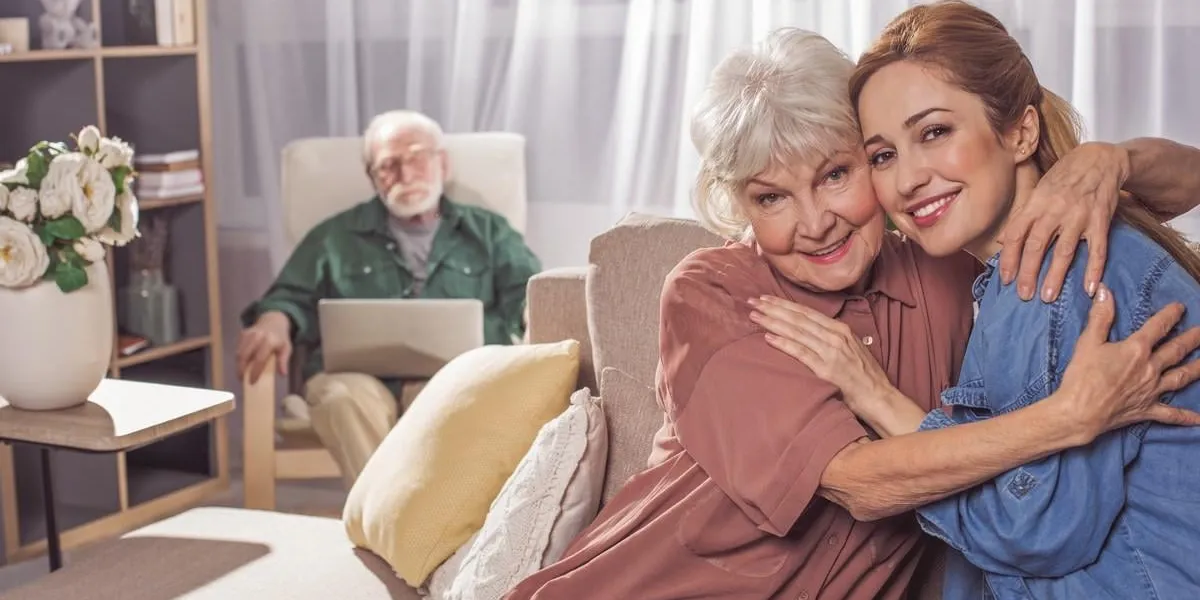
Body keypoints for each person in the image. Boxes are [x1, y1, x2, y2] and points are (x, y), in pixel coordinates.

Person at [504, 28, 1200, 599]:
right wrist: (1071, 417)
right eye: (770, 198)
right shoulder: (716, 291)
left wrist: (1108, 162)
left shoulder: (954, 258)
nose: (815, 223)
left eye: (836, 174)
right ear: (739, 206)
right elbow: (860, 484)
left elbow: (1183, 183)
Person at [754, 2, 1200, 597]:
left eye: (934, 132)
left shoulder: (1053, 275)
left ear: (1020, 131)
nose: (907, 179)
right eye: (883, 155)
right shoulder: (1041, 262)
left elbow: (1032, 530)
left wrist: (877, 397)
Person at [237, 110, 542, 487]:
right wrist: (274, 320)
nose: (406, 174)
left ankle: (390, 530)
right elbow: (289, 296)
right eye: (388, 165)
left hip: (453, 376)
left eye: (417, 157)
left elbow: (531, 292)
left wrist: (533, 320)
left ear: (442, 163)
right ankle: (401, 529)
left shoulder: (489, 232)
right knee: (338, 399)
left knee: (456, 402)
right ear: (372, 177)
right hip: (358, 381)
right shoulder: (334, 237)